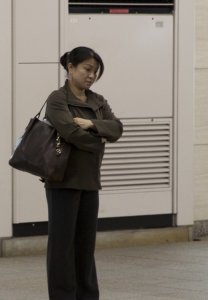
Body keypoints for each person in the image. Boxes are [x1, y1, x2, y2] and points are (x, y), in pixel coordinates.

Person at [44, 46, 123, 300]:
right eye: (87, 69)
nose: (91, 75)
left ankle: (88, 296)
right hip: (63, 180)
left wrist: (92, 124)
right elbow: (69, 132)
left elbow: (117, 129)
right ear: (70, 68)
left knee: (85, 247)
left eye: (95, 72)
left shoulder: (97, 101)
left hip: (90, 179)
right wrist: (98, 140)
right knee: (62, 247)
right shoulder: (57, 99)